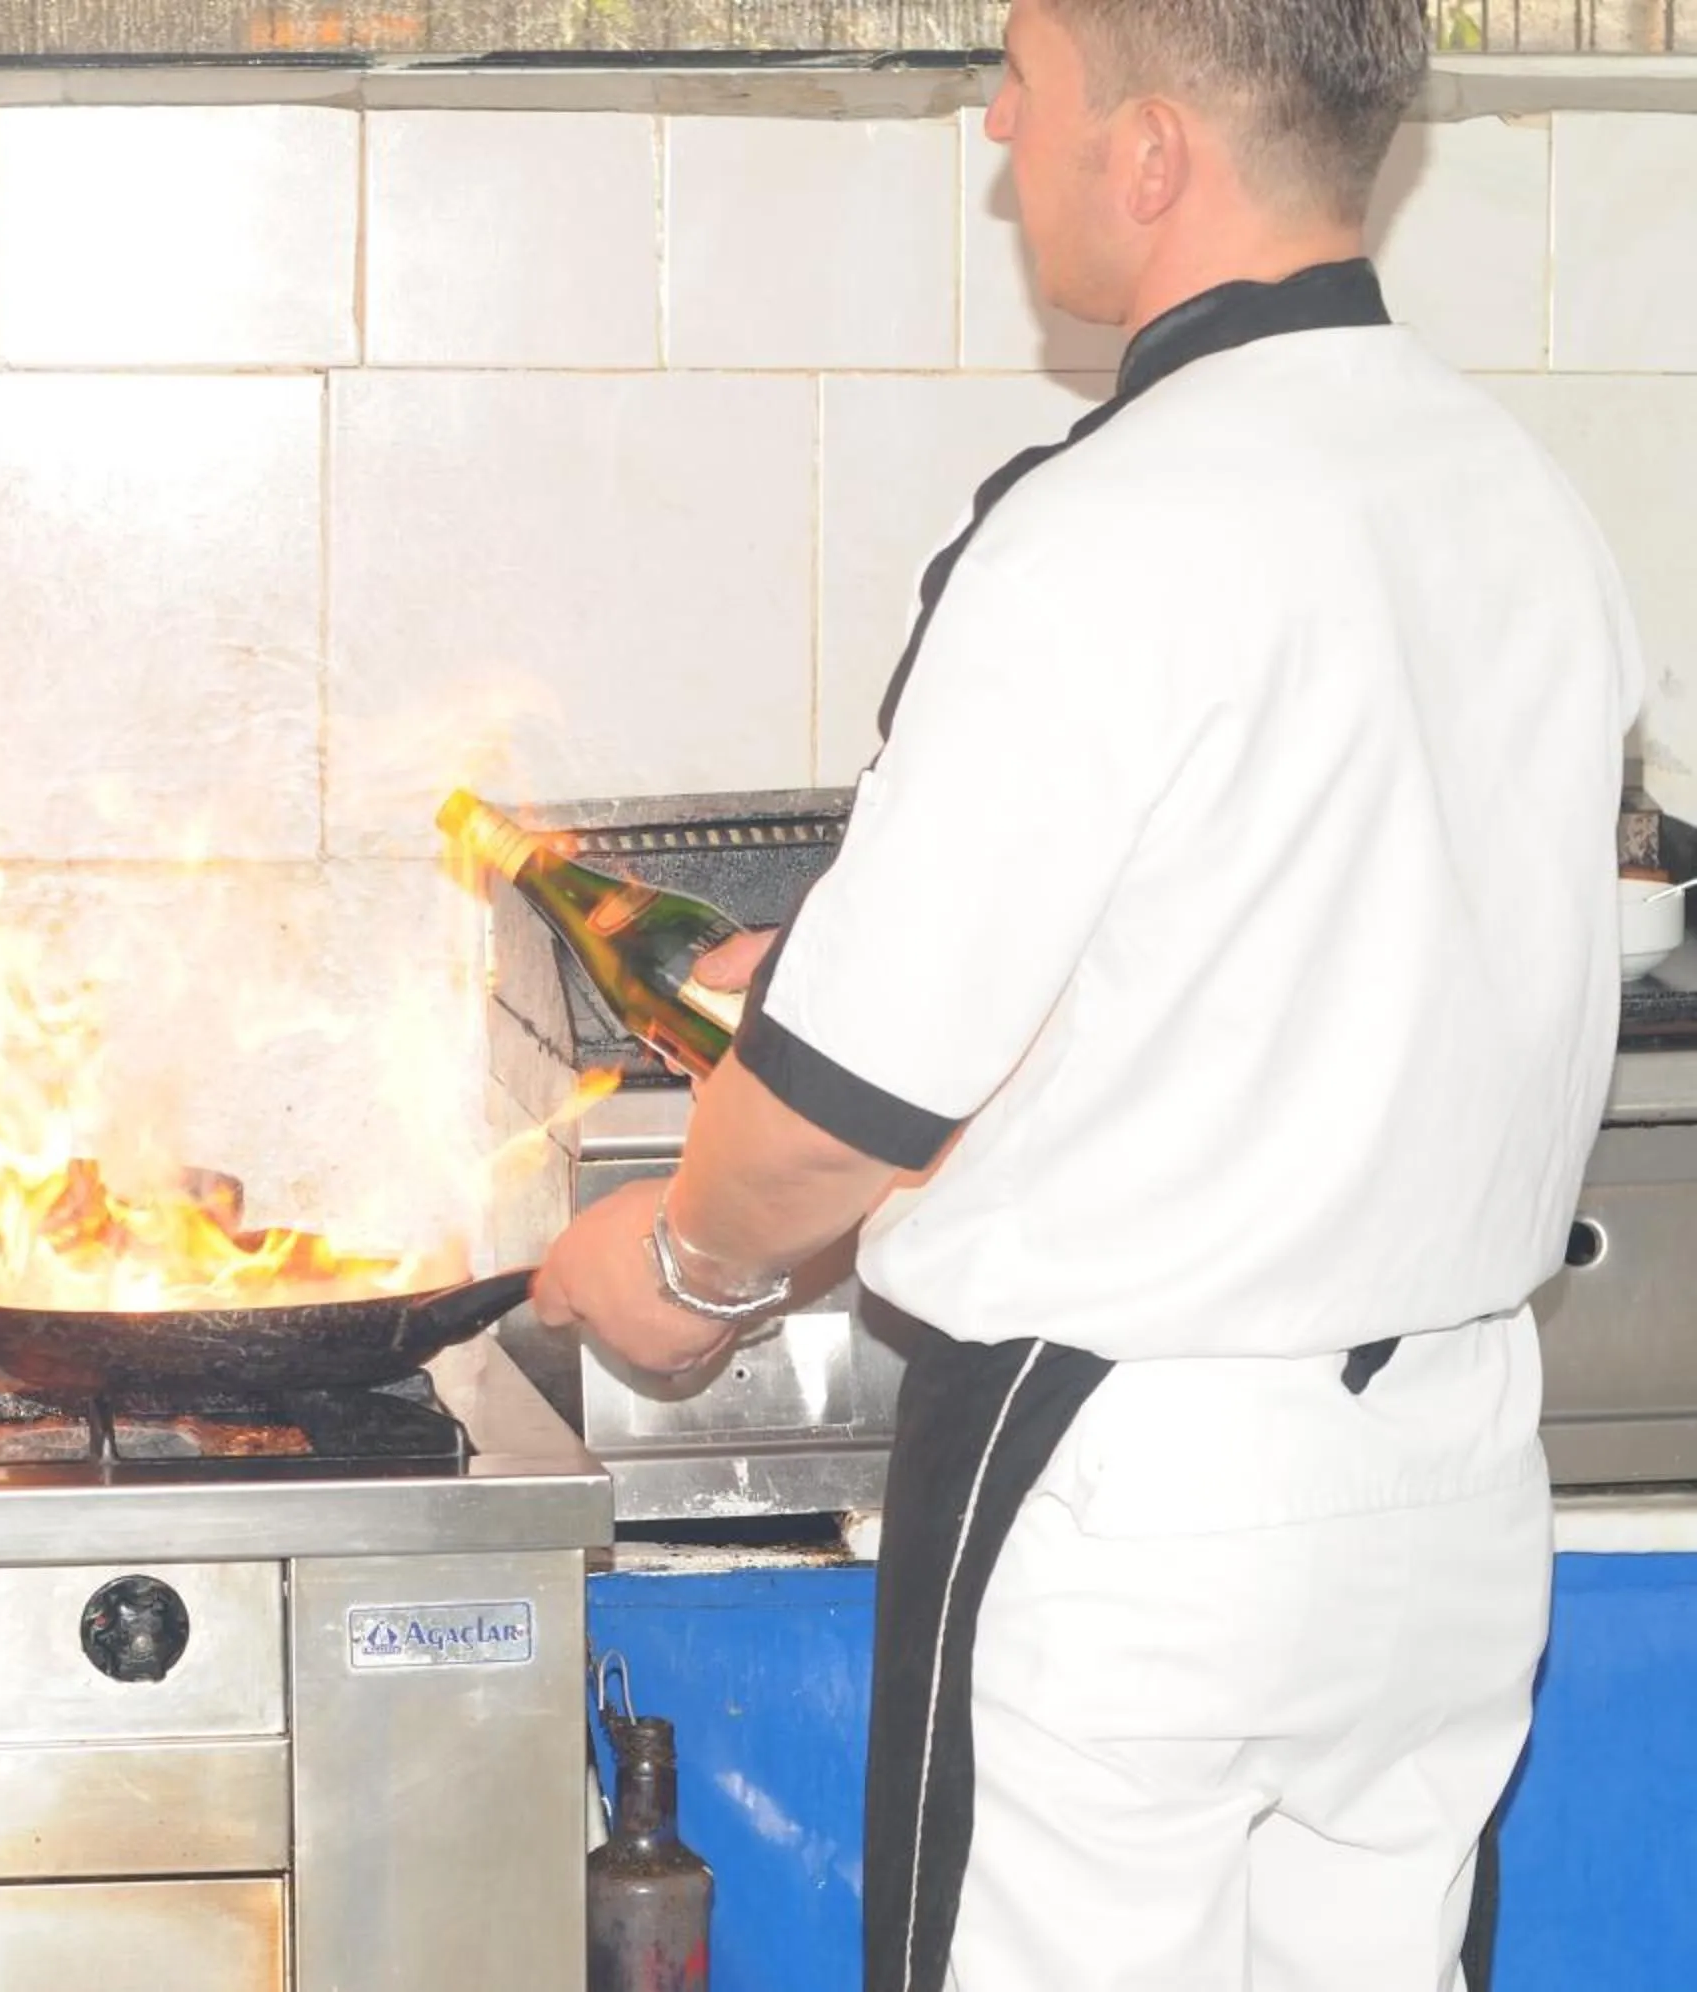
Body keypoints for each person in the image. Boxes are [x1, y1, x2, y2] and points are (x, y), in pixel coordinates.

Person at [529, 2, 1645, 1988]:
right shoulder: (1521, 504)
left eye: (1026, 80)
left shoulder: (1105, 524)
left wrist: (684, 1269)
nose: (994, 120)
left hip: (1135, 1485)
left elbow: (839, 1114)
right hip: (1454, 1475)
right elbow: (1285, 943)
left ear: (1149, 153)